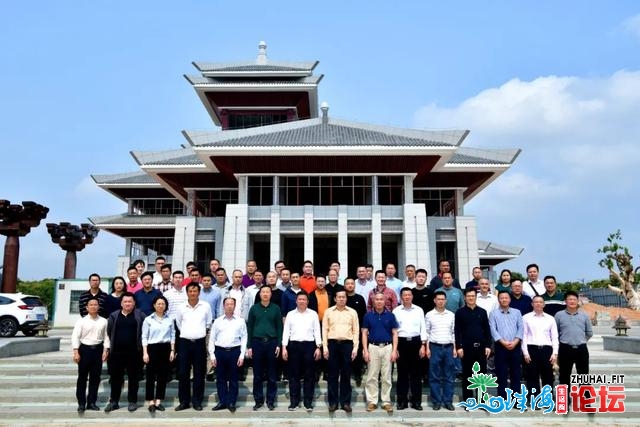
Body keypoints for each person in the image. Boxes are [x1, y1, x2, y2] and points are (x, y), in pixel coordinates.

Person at [174, 282, 212, 411]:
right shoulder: (181, 307)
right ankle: (184, 401)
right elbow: (178, 324)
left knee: (199, 373)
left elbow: (208, 324)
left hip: (199, 343)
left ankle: (197, 401)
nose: (193, 293)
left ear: (199, 292)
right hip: (184, 343)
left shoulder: (205, 306)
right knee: (183, 373)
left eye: (195, 291)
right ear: (187, 292)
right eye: (190, 291)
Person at [105, 292, 145, 413]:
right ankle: (114, 402)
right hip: (116, 353)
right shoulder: (114, 316)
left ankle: (132, 401)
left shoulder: (140, 315)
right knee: (116, 379)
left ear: (134, 303)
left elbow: (145, 333)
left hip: (135, 353)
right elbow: (109, 332)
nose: (128, 303)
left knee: (134, 378)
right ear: (121, 303)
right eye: (125, 301)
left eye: (130, 301)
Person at [282, 291, 322, 412]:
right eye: (299, 299)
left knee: (309, 376)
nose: (302, 301)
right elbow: (286, 331)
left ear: (307, 301)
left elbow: (317, 331)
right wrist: (284, 347)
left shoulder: (313, 314)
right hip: (294, 346)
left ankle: (308, 402)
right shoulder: (290, 314)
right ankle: (294, 402)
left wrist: (318, 347)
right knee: (294, 376)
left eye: (304, 299)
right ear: (296, 300)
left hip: (309, 346)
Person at [247, 285, 283, 410]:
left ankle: (270, 400)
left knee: (272, 375)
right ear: (260, 294)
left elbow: (279, 327)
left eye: (268, 292)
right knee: (257, 374)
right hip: (257, 343)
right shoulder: (254, 308)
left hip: (272, 343)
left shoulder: (276, 308)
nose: (266, 294)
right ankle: (258, 400)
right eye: (263, 292)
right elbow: (249, 328)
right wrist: (249, 346)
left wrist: (279, 344)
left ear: (271, 294)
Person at [322, 289, 359, 412]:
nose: (342, 299)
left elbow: (356, 331)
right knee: (332, 375)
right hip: (332, 344)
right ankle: (333, 403)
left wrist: (355, 348)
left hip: (347, 345)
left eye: (344, 297)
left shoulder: (352, 312)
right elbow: (325, 330)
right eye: (339, 297)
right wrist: (325, 347)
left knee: (346, 375)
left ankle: (345, 403)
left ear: (346, 299)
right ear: (335, 299)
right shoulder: (328, 312)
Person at [209, 297, 247, 413]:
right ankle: (222, 401)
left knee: (234, 379)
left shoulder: (240, 321)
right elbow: (211, 339)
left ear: (235, 306)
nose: (229, 306)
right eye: (227, 304)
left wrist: (242, 355)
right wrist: (212, 355)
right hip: (220, 352)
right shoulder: (218, 321)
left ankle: (231, 402)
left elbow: (244, 338)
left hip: (235, 351)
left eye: (232, 304)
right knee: (220, 379)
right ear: (223, 306)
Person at [362, 292, 399, 413]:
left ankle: (386, 401)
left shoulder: (391, 315)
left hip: (387, 347)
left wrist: (394, 350)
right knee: (372, 375)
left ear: (384, 301)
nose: (379, 301)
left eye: (381, 299)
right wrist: (365, 350)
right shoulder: (368, 316)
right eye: (376, 299)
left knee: (386, 376)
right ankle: (372, 401)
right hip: (373, 347)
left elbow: (395, 333)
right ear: (373, 301)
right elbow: (364, 334)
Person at [72, 297, 109, 413]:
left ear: (98, 307)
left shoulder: (104, 321)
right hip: (84, 350)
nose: (93, 306)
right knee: (82, 378)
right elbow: (75, 337)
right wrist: (76, 351)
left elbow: (106, 337)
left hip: (98, 350)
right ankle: (81, 403)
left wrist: (105, 350)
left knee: (95, 378)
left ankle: (92, 402)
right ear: (87, 307)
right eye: (91, 305)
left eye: (95, 304)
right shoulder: (81, 321)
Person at [455, 288, 492, 403]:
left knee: (481, 374)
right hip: (466, 348)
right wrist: (459, 347)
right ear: (465, 298)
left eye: (473, 296)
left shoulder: (482, 312)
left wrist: (488, 346)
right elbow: (457, 331)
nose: (471, 298)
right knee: (467, 374)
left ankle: (481, 399)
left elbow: (487, 330)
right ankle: (468, 400)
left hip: (481, 347)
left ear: (476, 297)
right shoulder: (460, 312)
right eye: (468, 296)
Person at [392, 287, 426, 411]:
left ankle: (416, 401)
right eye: (404, 295)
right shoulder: (396, 311)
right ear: (401, 297)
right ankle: (402, 401)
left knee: (416, 374)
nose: (407, 297)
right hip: (401, 342)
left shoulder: (419, 310)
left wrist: (423, 345)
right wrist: (395, 348)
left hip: (416, 342)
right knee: (402, 374)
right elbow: (394, 330)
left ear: (412, 296)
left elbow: (423, 327)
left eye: (409, 295)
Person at [141, 295, 175, 412]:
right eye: (158, 304)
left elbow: (172, 336)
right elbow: (144, 337)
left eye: (163, 304)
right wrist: (145, 353)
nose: (161, 306)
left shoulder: (169, 319)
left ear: (166, 306)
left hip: (165, 348)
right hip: (152, 348)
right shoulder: (148, 319)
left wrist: (172, 350)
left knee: (162, 376)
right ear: (154, 305)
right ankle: (150, 401)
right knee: (150, 376)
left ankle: (159, 400)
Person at [425, 290, 457, 411]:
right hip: (435, 347)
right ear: (434, 300)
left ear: (446, 301)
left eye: (443, 299)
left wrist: (454, 348)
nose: (440, 301)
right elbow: (427, 333)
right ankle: (436, 401)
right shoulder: (429, 315)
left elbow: (454, 333)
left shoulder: (451, 315)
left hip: (448, 347)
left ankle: (448, 401)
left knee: (449, 376)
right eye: (438, 299)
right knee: (434, 376)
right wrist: (427, 348)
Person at [555, 291, 593, 391]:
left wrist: (581, 341)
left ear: (578, 301)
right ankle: (564, 403)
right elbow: (555, 333)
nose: (572, 301)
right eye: (570, 299)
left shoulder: (584, 315)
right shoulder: (559, 315)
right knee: (564, 376)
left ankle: (586, 403)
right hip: (565, 349)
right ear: (565, 301)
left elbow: (589, 332)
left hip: (581, 349)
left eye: (574, 299)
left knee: (584, 377)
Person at [489, 291, 524, 399]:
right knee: (501, 374)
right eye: (501, 298)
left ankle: (516, 399)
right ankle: (502, 398)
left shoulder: (517, 312)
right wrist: (503, 342)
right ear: (498, 300)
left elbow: (521, 328)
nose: (504, 300)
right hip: (500, 347)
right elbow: (493, 329)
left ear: (510, 299)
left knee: (516, 374)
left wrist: (515, 341)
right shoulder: (493, 313)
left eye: (506, 298)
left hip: (515, 346)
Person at [522, 295, 558, 397]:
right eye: (536, 302)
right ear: (532, 304)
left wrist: (555, 353)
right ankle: (535, 399)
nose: (538, 304)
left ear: (544, 304)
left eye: (540, 302)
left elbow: (554, 337)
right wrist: (525, 353)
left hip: (547, 349)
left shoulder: (550, 318)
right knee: (532, 376)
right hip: (531, 349)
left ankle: (547, 399)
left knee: (548, 376)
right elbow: (523, 336)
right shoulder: (525, 318)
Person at [344, 277, 367, 386]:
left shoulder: (360, 298)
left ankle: (358, 374)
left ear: (354, 285)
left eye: (352, 283)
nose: (350, 285)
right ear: (345, 286)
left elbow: (364, 315)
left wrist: (364, 329)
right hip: (345, 331)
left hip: (358, 330)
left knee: (357, 352)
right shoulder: (342, 298)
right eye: (347, 284)